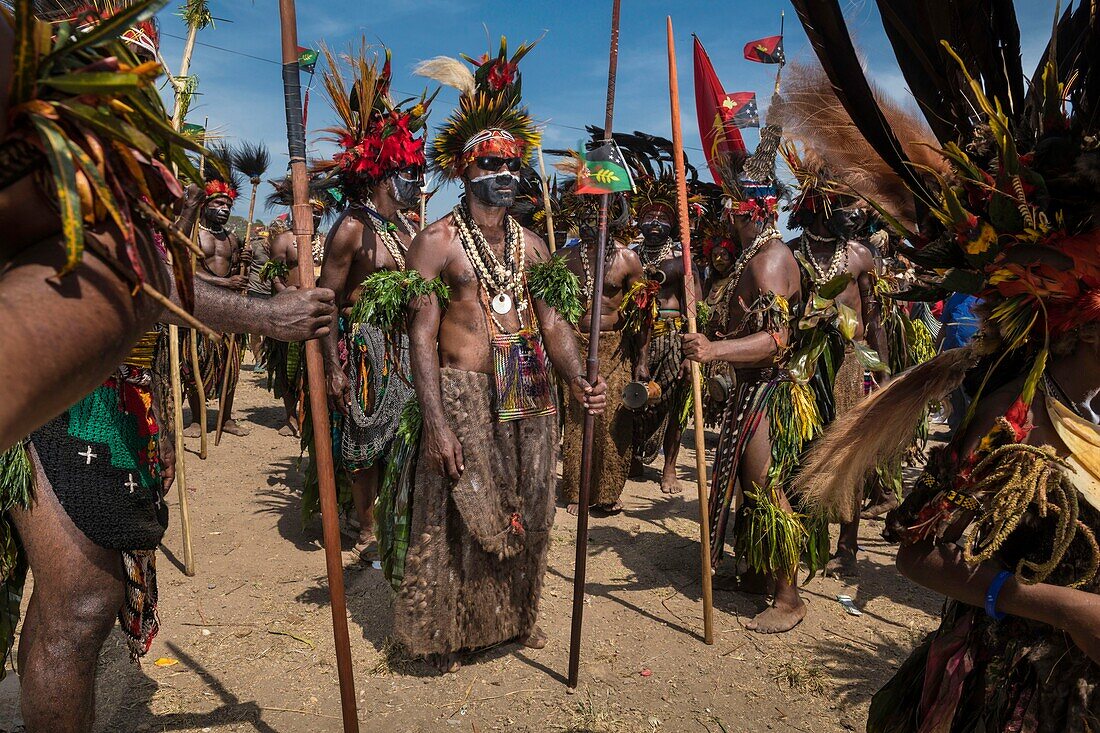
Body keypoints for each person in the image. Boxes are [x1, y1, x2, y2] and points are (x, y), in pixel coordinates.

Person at [0, 7, 338, 731]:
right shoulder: (48, 137)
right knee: (83, 598)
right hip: (51, 393)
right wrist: (266, 317)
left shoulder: (127, 164)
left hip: (113, 386)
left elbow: (151, 267)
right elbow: (134, 276)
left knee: (82, 603)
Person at [789, 2, 1100, 728]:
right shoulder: (1014, 418)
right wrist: (1057, 605)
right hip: (1018, 695)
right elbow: (917, 554)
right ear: (1076, 315)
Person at [400, 39, 606, 672]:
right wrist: (435, 422)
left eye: (515, 164)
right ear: (465, 169)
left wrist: (579, 381)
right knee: (462, 516)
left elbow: (554, 326)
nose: (509, 174)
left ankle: (513, 620)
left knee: (530, 508)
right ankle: (449, 632)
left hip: (532, 393)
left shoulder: (535, 245)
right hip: (463, 392)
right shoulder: (435, 244)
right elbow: (419, 338)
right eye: (494, 163)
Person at [682, 125, 824, 634]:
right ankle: (757, 571)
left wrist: (714, 349)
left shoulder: (769, 261)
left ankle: (790, 597)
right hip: (749, 390)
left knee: (766, 488)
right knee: (750, 485)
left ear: (757, 209)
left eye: (735, 204)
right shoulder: (753, 255)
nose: (727, 211)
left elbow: (776, 340)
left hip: (767, 389)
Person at [311, 45, 432, 558]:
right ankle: (366, 529)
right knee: (362, 440)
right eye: (410, 174)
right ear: (384, 175)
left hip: (403, 347)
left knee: (402, 435)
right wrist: (333, 367)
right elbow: (326, 302)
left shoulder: (405, 228)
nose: (419, 183)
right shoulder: (352, 229)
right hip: (363, 349)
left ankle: (394, 515)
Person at [778, 143, 889, 578]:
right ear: (822, 204)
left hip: (848, 367)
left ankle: (848, 544)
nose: (858, 215)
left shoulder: (862, 257)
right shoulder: (790, 254)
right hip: (802, 369)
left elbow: (875, 318)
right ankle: (806, 536)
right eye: (847, 205)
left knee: (848, 453)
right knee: (804, 451)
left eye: (861, 208)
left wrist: (881, 373)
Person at [557, 183, 649, 516]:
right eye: (583, 211)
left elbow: (642, 315)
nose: (589, 218)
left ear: (611, 215)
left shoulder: (628, 259)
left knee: (612, 420)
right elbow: (551, 313)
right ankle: (577, 490)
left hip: (614, 349)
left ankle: (608, 491)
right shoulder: (564, 257)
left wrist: (642, 361)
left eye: (596, 210)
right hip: (574, 346)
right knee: (578, 418)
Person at [628, 173, 699, 496]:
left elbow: (693, 310)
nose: (655, 223)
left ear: (673, 224)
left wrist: (688, 354)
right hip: (634, 338)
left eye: (663, 218)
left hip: (671, 337)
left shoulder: (683, 261)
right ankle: (633, 455)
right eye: (649, 217)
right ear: (638, 221)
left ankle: (669, 466)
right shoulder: (629, 257)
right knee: (631, 398)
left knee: (672, 404)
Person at [263, 184, 335, 438]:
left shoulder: (325, 242)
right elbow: (274, 277)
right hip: (290, 312)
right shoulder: (284, 240)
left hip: (317, 313)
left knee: (313, 365)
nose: (314, 216)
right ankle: (290, 415)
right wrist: (287, 296)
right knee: (287, 367)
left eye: (319, 212)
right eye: (310, 210)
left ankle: (311, 415)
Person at [183, 173, 251, 438]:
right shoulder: (194, 234)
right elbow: (190, 271)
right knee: (196, 363)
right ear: (204, 205)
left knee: (230, 367)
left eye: (227, 206)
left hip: (228, 310)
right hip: (202, 307)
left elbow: (236, 272)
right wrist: (225, 284)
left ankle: (226, 419)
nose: (223, 210)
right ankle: (198, 420)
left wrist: (242, 259)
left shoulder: (232, 239)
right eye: (217, 205)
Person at [937, 291, 980, 430]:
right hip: (952, 352)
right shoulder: (955, 297)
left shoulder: (985, 297)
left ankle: (968, 431)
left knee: (969, 392)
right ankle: (955, 429)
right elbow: (944, 325)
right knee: (954, 391)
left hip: (975, 353)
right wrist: (937, 347)